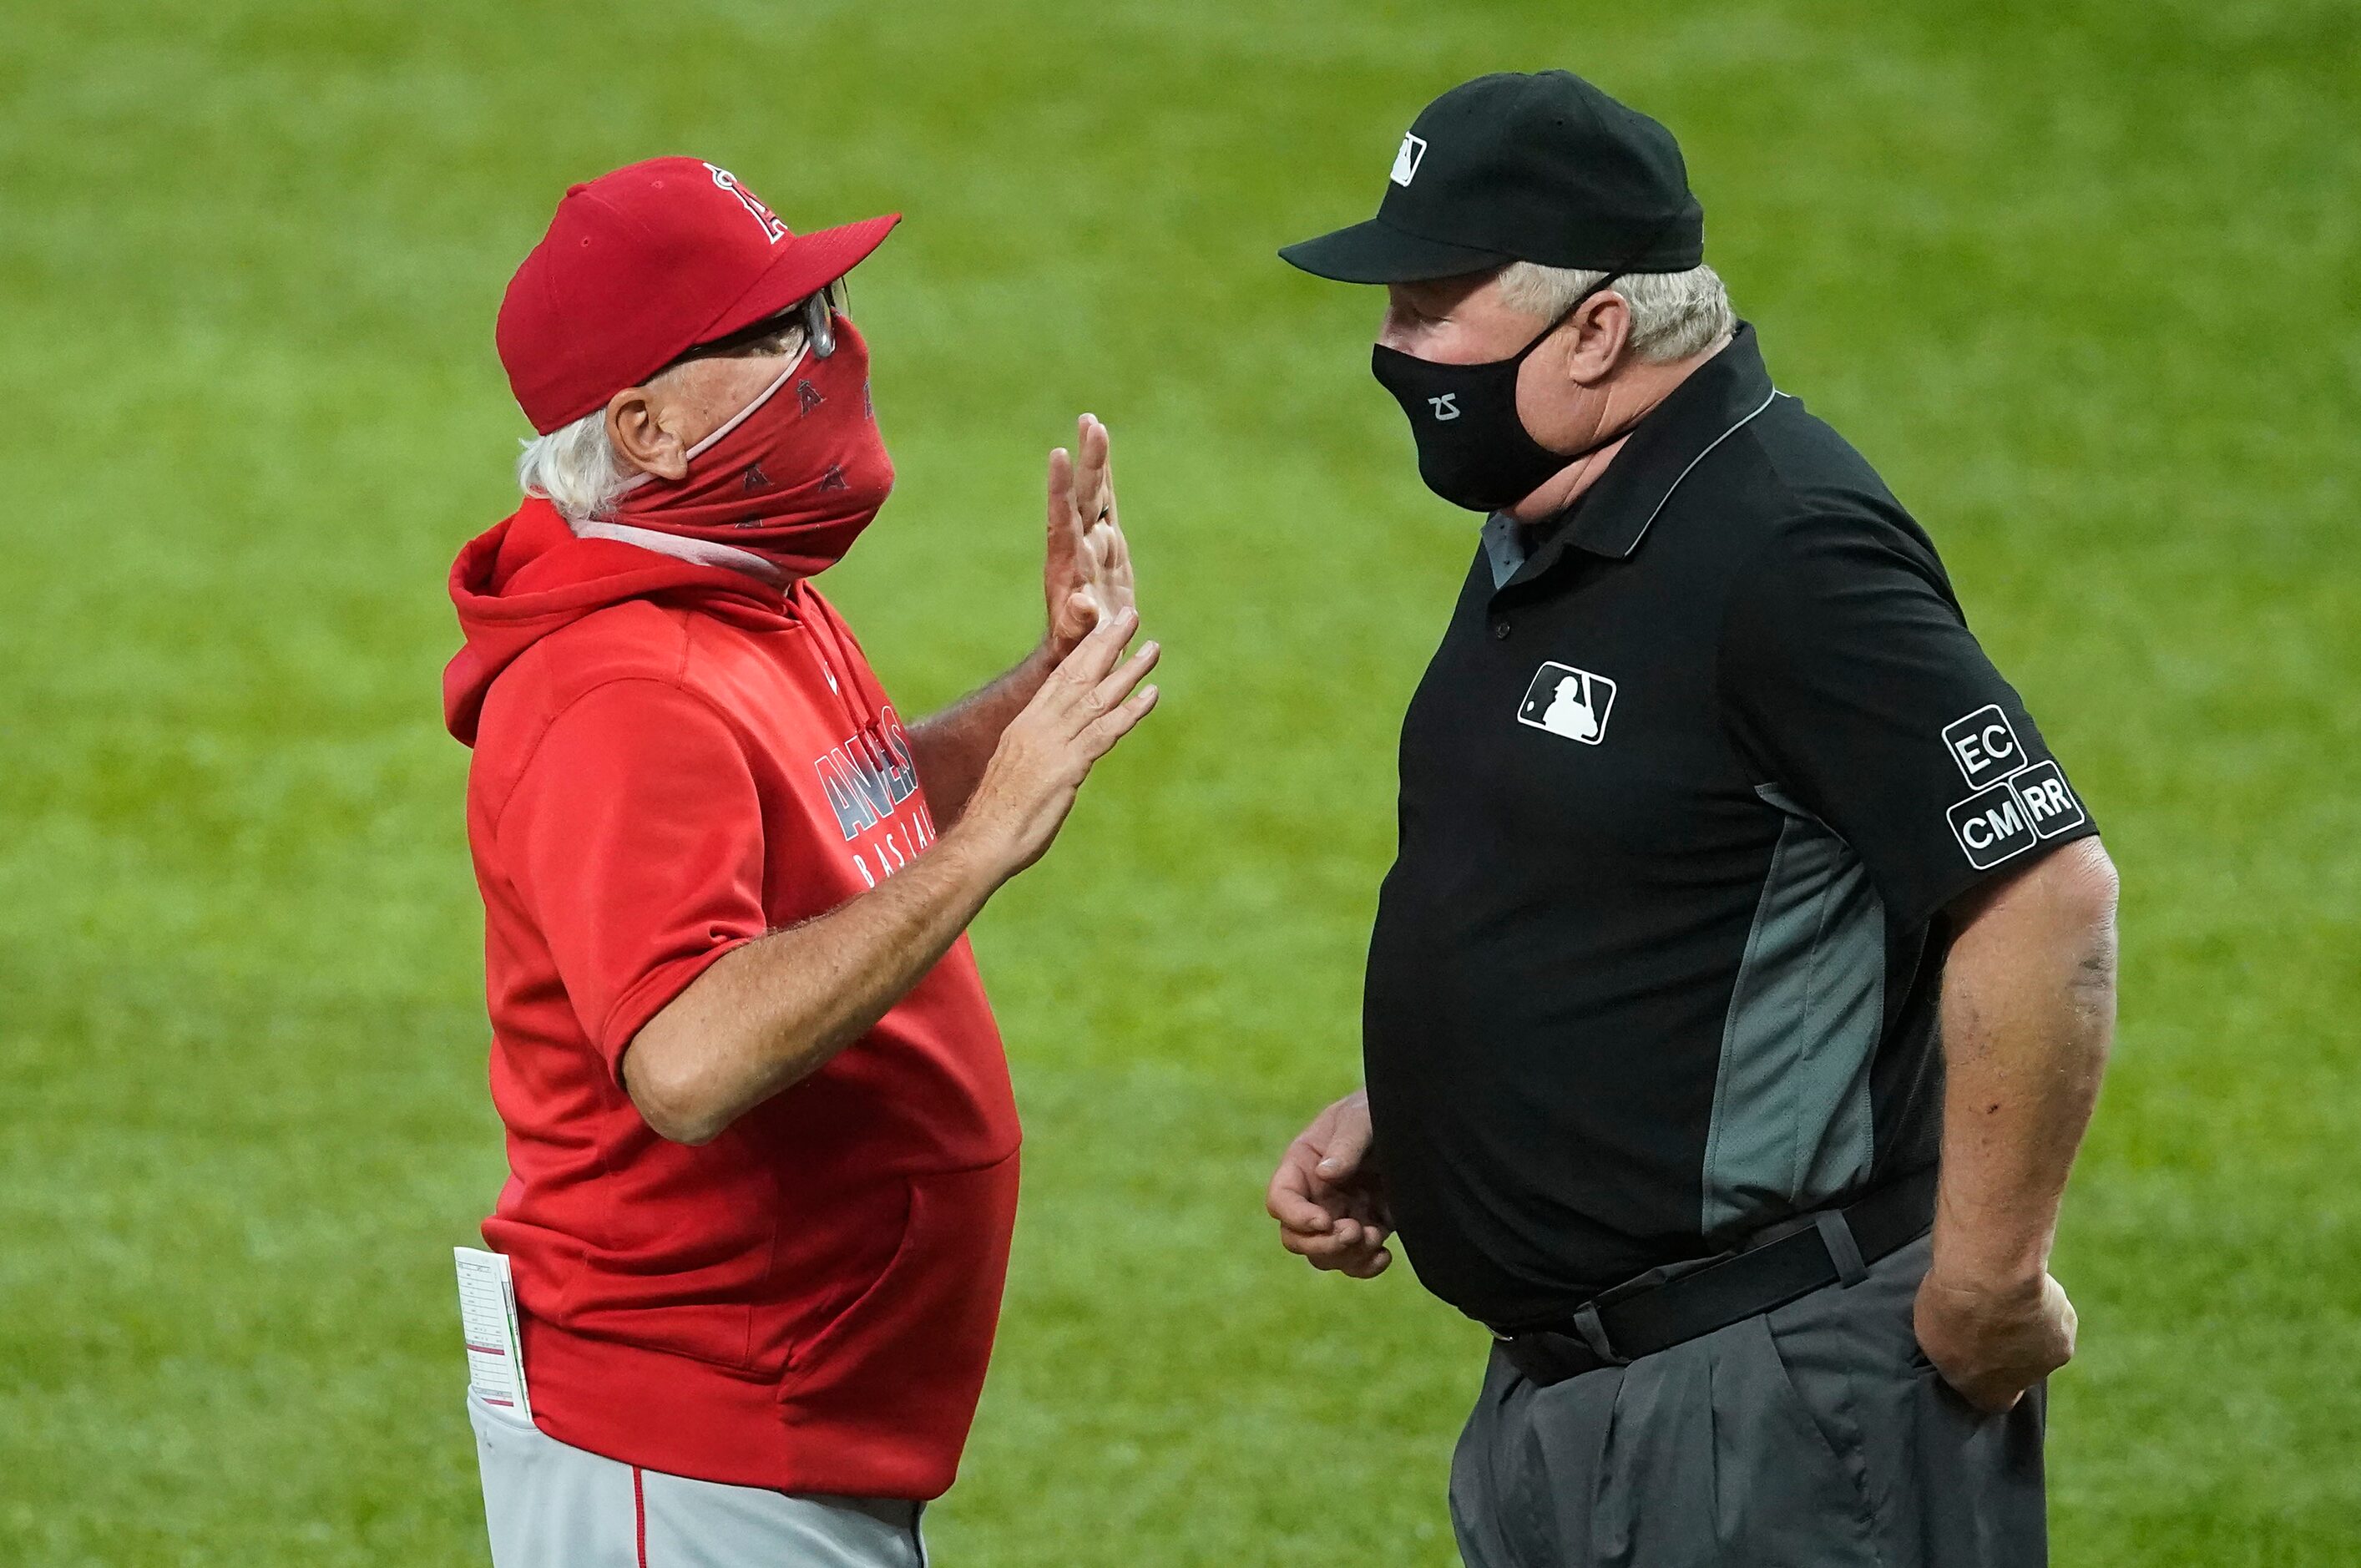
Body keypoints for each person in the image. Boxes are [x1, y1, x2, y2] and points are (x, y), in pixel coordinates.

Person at [1264, 72, 2118, 1567]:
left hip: (1767, 1411)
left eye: (1425, 308)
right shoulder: (1561, 515)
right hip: (1574, 1404)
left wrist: (1987, 1285)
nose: (1393, 354)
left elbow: (2046, 896)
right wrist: (1438, 1110)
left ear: (1595, 328)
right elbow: (1628, 880)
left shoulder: (1784, 546)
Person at [443, 156, 1159, 1567]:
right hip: (692, 1442)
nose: (831, 348)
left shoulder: (739, 592)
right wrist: (986, 847)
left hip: (775, 1428)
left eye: (824, 304)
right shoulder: (616, 689)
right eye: (776, 330)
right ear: (642, 424)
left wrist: (1042, 687)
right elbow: (686, 1058)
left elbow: (848, 810)